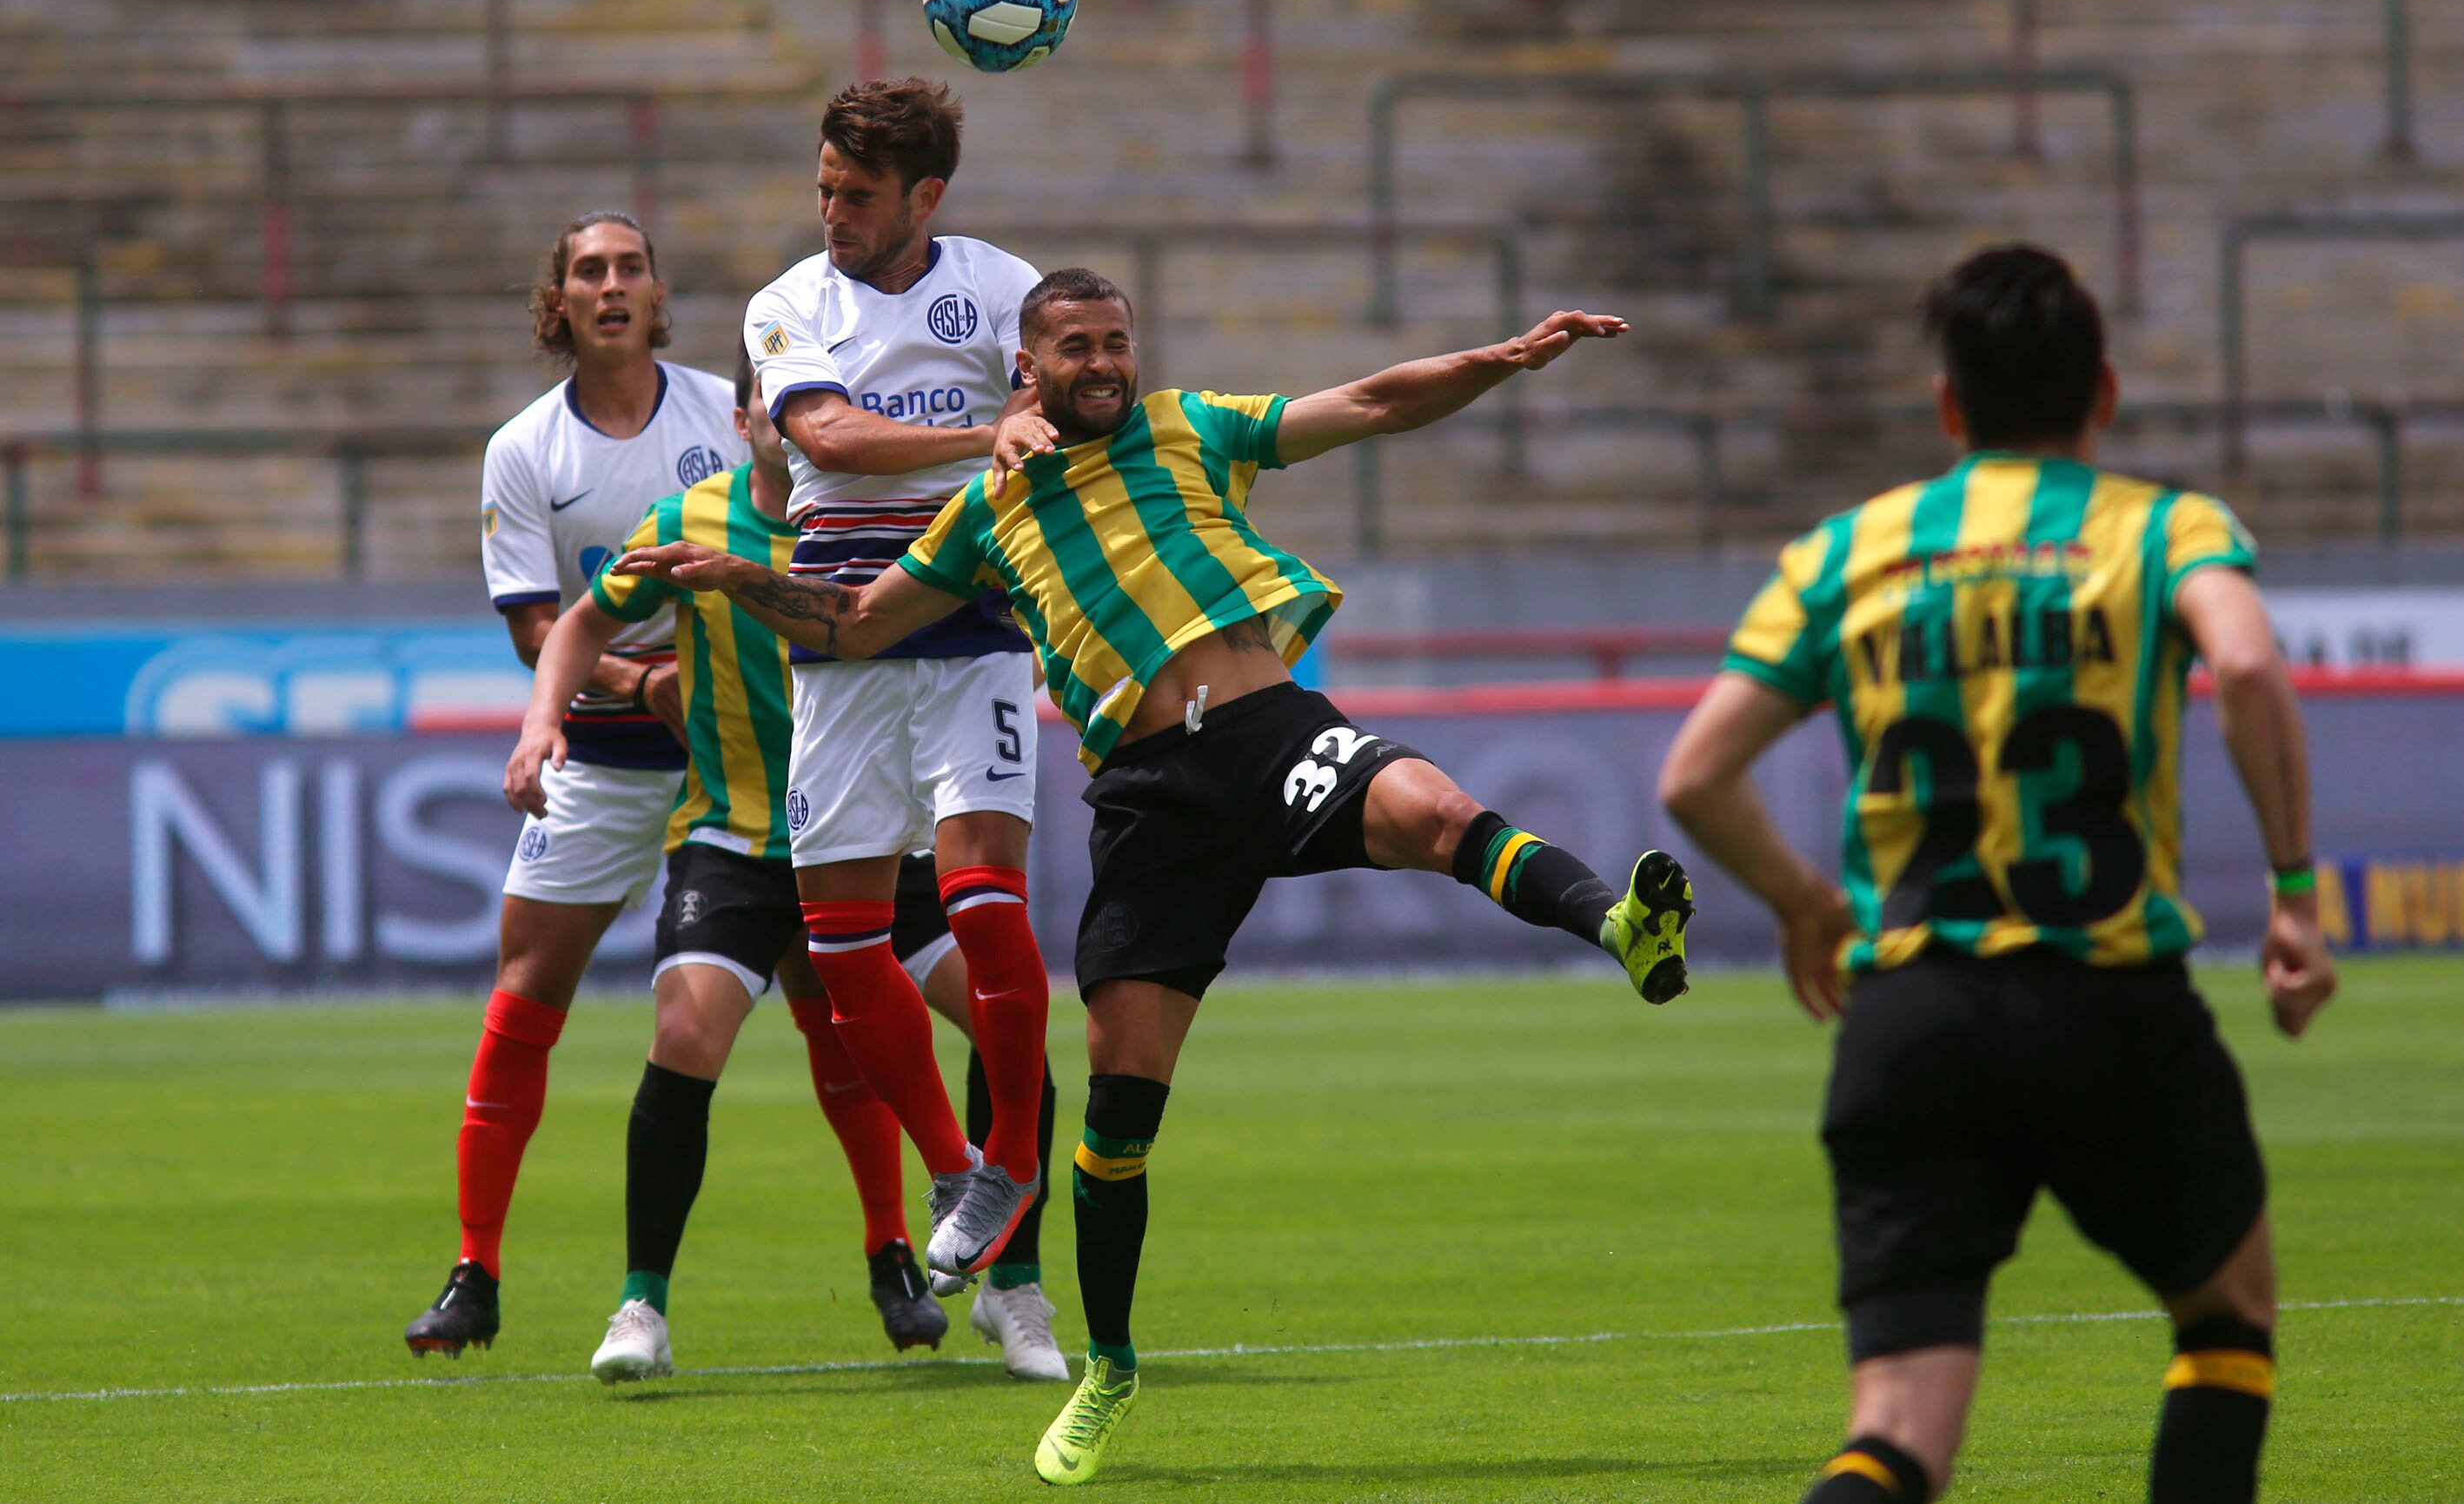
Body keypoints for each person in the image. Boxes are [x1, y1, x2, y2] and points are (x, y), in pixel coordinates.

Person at [612, 268, 1699, 1485]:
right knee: (1121, 1109)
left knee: (1435, 812)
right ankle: (1110, 1369)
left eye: (1116, 341)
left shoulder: (1192, 425)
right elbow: (857, 622)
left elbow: (1372, 402)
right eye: (1076, 345)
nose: (1103, 363)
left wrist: (1501, 357)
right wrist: (738, 580)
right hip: (1147, 798)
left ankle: (1618, 924)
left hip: (1269, 731)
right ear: (1026, 370)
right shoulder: (986, 508)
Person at [1657, 244, 2337, 1504]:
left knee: (1897, 1431)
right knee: (2226, 1315)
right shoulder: (2162, 527)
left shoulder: (1845, 552)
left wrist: (1804, 901)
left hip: (1911, 1018)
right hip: (2112, 1005)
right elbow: (2246, 668)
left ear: (1947, 406)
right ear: (2104, 391)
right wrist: (2293, 892)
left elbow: (1695, 775)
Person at [503, 351, 1066, 1382]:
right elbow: (579, 621)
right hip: (738, 843)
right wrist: (545, 721)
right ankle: (641, 1305)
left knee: (1005, 1026)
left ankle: (1013, 1286)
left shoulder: (887, 521)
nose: (789, 415)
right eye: (773, 397)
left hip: (879, 841)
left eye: (814, 399)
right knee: (684, 1037)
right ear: (745, 417)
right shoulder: (689, 520)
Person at [407, 210, 747, 1358]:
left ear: (657, 294)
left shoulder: (727, 416)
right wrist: (641, 680)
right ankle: (475, 1271)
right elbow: (534, 629)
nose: (611, 285)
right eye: (589, 271)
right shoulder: (523, 449)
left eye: (630, 268)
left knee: (824, 992)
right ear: (558, 302)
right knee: (522, 997)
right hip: (598, 757)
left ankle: (889, 1250)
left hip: (732, 756)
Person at [742, 77, 1058, 1293]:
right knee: (841, 948)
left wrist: (1018, 422)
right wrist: (983, 435)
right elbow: (825, 438)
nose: (832, 212)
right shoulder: (787, 304)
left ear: (925, 197)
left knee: (984, 907)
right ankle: (953, 1163)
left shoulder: (1002, 286)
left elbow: (1048, 412)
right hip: (842, 641)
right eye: (824, 189)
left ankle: (1012, 1155)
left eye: (858, 195)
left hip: (972, 622)